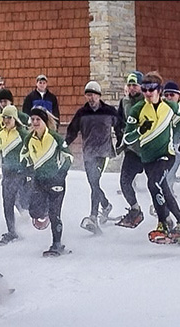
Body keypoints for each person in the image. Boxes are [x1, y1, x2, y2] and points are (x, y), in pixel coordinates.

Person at [122, 71, 180, 243]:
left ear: (159, 90)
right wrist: (140, 130)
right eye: (144, 89)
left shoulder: (169, 105)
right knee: (162, 190)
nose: (147, 93)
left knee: (153, 183)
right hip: (147, 158)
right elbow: (126, 137)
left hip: (166, 155)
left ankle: (163, 223)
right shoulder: (137, 109)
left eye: (151, 89)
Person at [65, 80, 120, 234]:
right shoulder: (82, 113)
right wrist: (64, 146)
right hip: (88, 152)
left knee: (94, 181)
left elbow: (120, 126)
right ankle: (106, 205)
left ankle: (93, 217)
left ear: (99, 96)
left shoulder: (109, 111)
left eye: (94, 95)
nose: (91, 98)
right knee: (93, 183)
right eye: (88, 95)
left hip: (103, 152)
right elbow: (72, 131)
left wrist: (122, 142)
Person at [20, 107, 73, 256]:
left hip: (56, 181)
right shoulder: (28, 139)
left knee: (55, 214)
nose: (35, 122)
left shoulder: (55, 138)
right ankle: (47, 213)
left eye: (38, 119)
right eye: (33, 119)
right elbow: (24, 157)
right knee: (34, 211)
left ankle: (56, 244)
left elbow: (69, 157)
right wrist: (27, 173)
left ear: (44, 121)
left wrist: (62, 173)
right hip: (39, 181)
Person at [0, 105, 30, 245]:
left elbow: (32, 150)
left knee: (15, 198)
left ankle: (27, 221)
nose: (6, 120)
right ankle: (12, 230)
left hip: (19, 173)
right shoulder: (1, 133)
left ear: (15, 118)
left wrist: (29, 171)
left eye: (9, 117)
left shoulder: (22, 133)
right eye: (4, 117)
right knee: (7, 202)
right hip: (6, 172)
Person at [114, 71, 147, 229]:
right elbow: (119, 123)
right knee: (124, 182)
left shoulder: (147, 101)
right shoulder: (124, 102)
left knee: (157, 186)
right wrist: (121, 141)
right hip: (132, 151)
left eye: (135, 85)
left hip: (149, 151)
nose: (132, 88)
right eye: (130, 85)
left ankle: (169, 217)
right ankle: (135, 210)